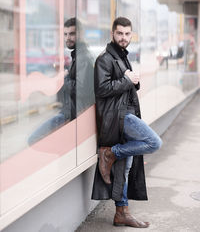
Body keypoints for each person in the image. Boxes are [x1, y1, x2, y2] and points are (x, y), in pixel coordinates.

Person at [91, 17, 162, 228]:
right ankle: (111, 153)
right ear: (112, 33)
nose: (123, 38)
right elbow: (101, 89)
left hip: (125, 114)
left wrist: (133, 81)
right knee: (154, 142)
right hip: (118, 117)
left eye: (127, 34)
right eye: (120, 33)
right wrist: (127, 80)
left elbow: (125, 85)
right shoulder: (104, 59)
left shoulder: (121, 57)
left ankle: (121, 212)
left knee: (126, 166)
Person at [28, 17, 94, 145]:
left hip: (72, 114)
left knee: (33, 140)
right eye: (65, 34)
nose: (68, 38)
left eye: (72, 34)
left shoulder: (83, 58)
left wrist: (65, 77)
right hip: (71, 112)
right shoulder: (77, 55)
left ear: (80, 34)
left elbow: (81, 90)